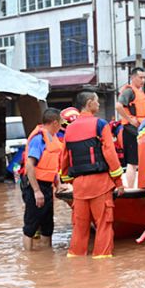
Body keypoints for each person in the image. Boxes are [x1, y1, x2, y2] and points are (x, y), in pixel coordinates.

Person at [62, 90, 125, 258]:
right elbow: (110, 154)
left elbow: (64, 159)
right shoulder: (100, 124)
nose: (98, 104)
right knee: (103, 224)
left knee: (80, 228)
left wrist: (68, 182)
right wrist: (119, 182)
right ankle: (103, 265)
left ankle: (76, 263)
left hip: (79, 188)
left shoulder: (69, 129)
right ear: (89, 103)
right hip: (100, 184)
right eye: (97, 101)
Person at [21, 108, 63, 251]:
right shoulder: (39, 139)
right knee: (30, 227)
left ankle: (46, 259)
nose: (62, 126)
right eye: (61, 123)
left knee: (47, 226)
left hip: (47, 186)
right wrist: (37, 191)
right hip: (35, 186)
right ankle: (29, 259)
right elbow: (29, 165)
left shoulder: (54, 138)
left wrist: (58, 184)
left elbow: (53, 166)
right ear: (55, 123)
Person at [115, 67, 145, 188]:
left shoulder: (139, 92)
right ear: (133, 77)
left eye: (144, 77)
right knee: (132, 162)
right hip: (130, 130)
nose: (143, 80)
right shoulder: (129, 91)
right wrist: (130, 119)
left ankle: (136, 186)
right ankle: (129, 188)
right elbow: (118, 106)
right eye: (141, 77)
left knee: (137, 162)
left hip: (138, 129)